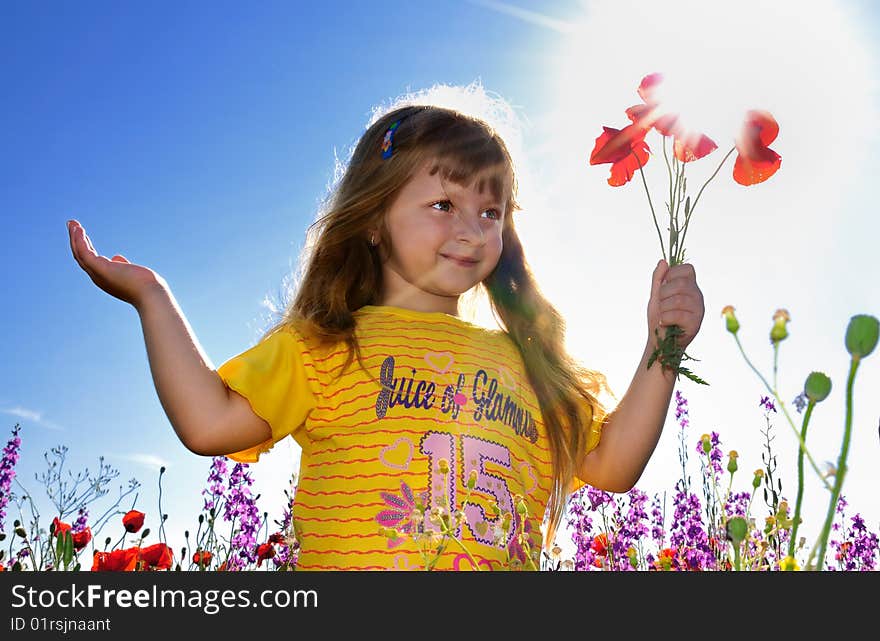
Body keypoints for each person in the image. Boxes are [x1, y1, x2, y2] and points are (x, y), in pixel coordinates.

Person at [66, 85, 705, 571]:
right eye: (443, 204)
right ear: (374, 220)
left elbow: (612, 463)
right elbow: (208, 423)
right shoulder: (325, 346)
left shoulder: (526, 361)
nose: (472, 228)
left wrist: (662, 345)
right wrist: (152, 297)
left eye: (491, 209)